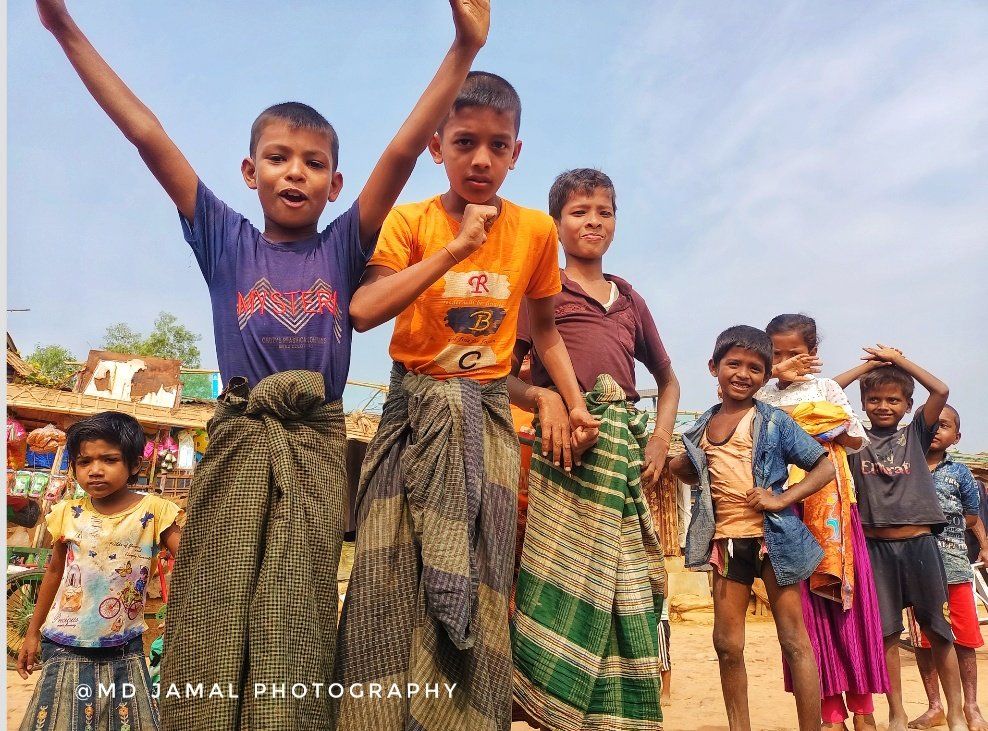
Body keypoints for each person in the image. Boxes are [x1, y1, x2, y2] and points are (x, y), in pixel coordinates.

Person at [36, 1, 489, 727]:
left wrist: (463, 48)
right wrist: (63, 28)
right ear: (249, 171)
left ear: (336, 185)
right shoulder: (224, 238)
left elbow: (404, 149)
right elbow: (147, 133)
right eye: (278, 158)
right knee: (215, 598)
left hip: (313, 449)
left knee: (296, 611)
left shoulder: (342, 247)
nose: (295, 173)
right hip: (241, 439)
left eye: (315, 163)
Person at [335, 72, 598, 730]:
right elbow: (364, 309)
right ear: (436, 146)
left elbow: (545, 333)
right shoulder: (410, 221)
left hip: (487, 420)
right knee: (387, 574)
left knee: (484, 578)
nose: (480, 159)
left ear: (516, 153)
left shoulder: (536, 232)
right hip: (411, 416)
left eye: (496, 145)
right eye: (464, 142)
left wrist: (570, 399)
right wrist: (455, 249)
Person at [509, 168, 679, 731]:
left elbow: (668, 381)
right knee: (559, 585)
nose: (593, 222)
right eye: (579, 213)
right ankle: (551, 706)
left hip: (621, 459)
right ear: (557, 225)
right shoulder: (542, 291)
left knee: (628, 581)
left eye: (603, 212)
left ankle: (616, 713)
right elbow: (499, 377)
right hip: (562, 460)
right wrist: (544, 398)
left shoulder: (628, 297)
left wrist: (658, 439)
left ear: (615, 222)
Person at [669, 325, 835, 731]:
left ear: (766, 375)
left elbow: (824, 464)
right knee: (727, 644)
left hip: (771, 541)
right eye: (734, 364)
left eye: (756, 368)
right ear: (714, 368)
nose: (743, 374)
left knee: (794, 640)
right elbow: (696, 473)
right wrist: (674, 464)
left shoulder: (774, 421)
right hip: (725, 544)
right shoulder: (702, 429)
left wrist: (781, 498)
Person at [757, 314, 888, 731]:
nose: (785, 362)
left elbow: (853, 435)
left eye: (793, 353)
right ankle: (830, 714)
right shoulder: (760, 394)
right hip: (784, 508)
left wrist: (813, 420)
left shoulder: (828, 387)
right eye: (775, 354)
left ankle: (864, 710)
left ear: (812, 353)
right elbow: (753, 428)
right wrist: (800, 409)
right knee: (806, 614)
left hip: (833, 510)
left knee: (849, 603)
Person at [16, 412, 182, 731]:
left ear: (135, 464)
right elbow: (54, 572)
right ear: (74, 467)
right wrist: (33, 632)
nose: (95, 470)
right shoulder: (66, 513)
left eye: (109, 459)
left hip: (124, 646)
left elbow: (192, 561)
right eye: (84, 461)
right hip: (64, 641)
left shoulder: (156, 511)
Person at [835, 346, 966, 731]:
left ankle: (955, 711)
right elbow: (824, 393)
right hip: (874, 550)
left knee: (939, 632)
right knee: (887, 635)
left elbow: (940, 390)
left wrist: (899, 361)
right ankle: (896, 711)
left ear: (908, 406)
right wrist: (869, 367)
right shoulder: (853, 440)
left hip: (920, 546)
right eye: (873, 399)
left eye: (894, 399)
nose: (883, 406)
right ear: (861, 403)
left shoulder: (916, 435)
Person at [904, 405, 988, 731]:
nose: (936, 430)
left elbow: (971, 515)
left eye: (945, 426)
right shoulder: (903, 468)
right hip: (914, 570)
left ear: (957, 437)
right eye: (930, 424)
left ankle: (971, 706)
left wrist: (981, 542)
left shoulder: (961, 473)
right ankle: (934, 706)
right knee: (923, 642)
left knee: (964, 640)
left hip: (954, 567)